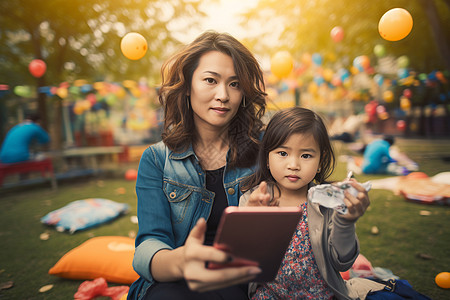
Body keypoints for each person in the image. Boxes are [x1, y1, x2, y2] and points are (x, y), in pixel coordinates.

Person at [128, 31, 267, 300]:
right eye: (210, 80)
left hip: (240, 280)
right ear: (187, 85)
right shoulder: (156, 160)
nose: (223, 95)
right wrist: (181, 261)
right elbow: (148, 245)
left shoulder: (265, 151)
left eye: (235, 84)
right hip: (173, 281)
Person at [240, 107, 380, 299]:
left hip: (320, 295)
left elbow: (343, 262)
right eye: (282, 153)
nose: (293, 165)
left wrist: (345, 222)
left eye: (306, 155)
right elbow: (242, 260)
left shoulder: (328, 202)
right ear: (266, 157)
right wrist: (251, 218)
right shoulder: (253, 199)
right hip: (268, 294)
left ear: (320, 161)